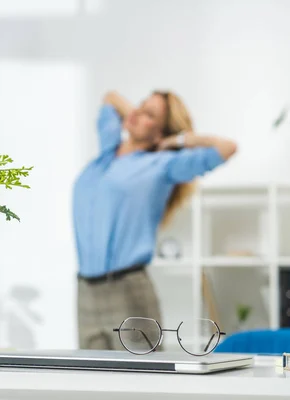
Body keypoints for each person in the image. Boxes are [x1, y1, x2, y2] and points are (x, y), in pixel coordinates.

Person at [73, 90, 237, 350]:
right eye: (139, 106)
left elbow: (226, 148)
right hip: (85, 290)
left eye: (150, 114)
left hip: (127, 291)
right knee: (93, 386)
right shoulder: (107, 150)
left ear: (160, 132)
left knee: (141, 385)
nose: (137, 113)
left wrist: (177, 140)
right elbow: (110, 97)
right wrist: (139, 115)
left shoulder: (162, 165)